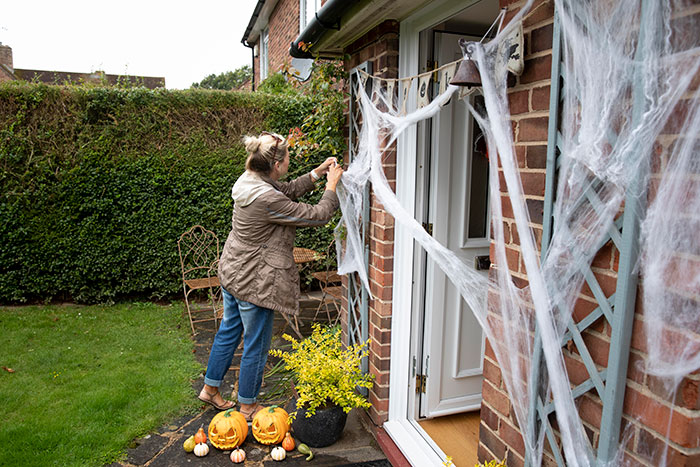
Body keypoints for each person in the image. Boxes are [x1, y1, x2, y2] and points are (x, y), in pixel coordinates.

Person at [198, 131, 343, 421]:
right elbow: (316, 215)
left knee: (229, 331)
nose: (290, 161)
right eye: (288, 158)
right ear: (276, 165)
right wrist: (332, 187)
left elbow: (284, 191)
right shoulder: (266, 199)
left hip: (233, 271)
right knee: (256, 343)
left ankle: (210, 389)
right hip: (254, 281)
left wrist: (315, 174)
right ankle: (249, 406)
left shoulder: (249, 181)